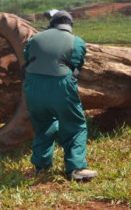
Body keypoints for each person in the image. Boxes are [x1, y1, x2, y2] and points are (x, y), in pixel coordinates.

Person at [23, 10, 97, 181]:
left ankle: (41, 165)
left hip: (33, 85)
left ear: (52, 25)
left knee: (43, 124)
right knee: (75, 126)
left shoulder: (35, 38)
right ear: (69, 26)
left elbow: (26, 56)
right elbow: (77, 65)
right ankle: (76, 168)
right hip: (60, 85)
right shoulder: (76, 41)